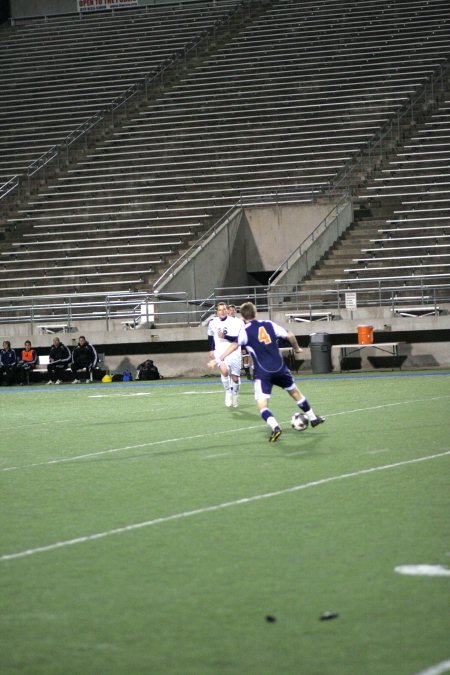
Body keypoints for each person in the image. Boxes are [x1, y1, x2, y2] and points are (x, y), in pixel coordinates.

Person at [208, 301, 325, 441]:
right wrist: (296, 348)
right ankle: (313, 418)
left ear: (243, 317)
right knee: (295, 393)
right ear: (255, 312)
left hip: (263, 372)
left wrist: (217, 358)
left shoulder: (245, 331)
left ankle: (276, 427)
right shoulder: (268, 324)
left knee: (262, 405)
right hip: (280, 367)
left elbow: (234, 345)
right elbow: (290, 335)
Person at [207, 301, 243, 407]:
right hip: (220, 351)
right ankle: (228, 392)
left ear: (226, 311)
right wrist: (211, 349)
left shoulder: (235, 322)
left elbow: (237, 339)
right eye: (220, 310)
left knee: (235, 378)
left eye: (224, 309)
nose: (222, 312)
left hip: (234, 351)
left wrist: (225, 336)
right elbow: (210, 336)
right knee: (224, 370)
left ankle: (235, 394)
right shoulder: (213, 322)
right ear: (217, 312)